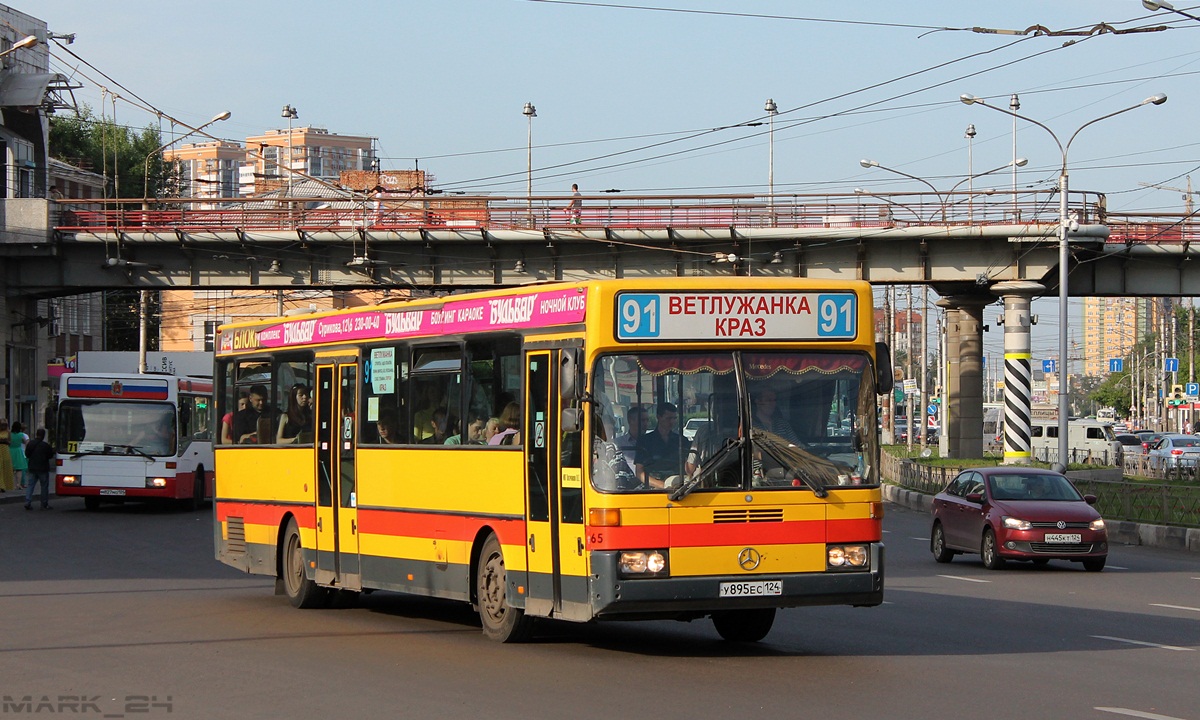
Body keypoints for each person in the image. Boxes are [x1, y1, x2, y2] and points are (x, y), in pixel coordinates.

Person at [635, 402, 682, 488]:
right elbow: (639, 472)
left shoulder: (681, 440)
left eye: (674, 418)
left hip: (678, 487)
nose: (672, 422)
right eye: (668, 418)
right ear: (658, 417)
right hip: (652, 488)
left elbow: (689, 466)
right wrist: (663, 485)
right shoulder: (645, 441)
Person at [23, 428, 55, 510]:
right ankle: (44, 504)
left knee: (31, 485)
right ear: (43, 436)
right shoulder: (45, 445)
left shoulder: (31, 444)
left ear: (36, 434)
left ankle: (27, 502)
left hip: (32, 467)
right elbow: (50, 455)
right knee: (44, 486)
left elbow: (27, 454)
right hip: (43, 468)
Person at [9, 421, 29, 490]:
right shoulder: (21, 435)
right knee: (19, 469)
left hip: (10, 450)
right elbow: (26, 442)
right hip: (18, 451)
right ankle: (18, 484)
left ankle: (10, 484)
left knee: (10, 468)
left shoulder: (10, 434)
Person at [0, 419, 13, 493]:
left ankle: (4, 485)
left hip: (5, 450)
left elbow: (10, 442)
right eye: (2, 424)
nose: (3, 426)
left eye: (5, 425)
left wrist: (6, 441)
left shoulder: (8, 432)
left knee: (6, 467)